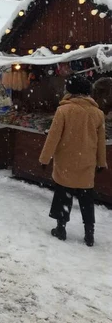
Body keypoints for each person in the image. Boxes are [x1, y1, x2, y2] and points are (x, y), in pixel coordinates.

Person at [39, 74, 107, 247]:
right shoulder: (98, 113)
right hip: (87, 163)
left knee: (63, 195)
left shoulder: (64, 110)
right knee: (86, 199)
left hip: (66, 163)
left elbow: (53, 137)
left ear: (71, 91)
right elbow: (101, 142)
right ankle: (89, 234)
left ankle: (61, 229)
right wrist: (101, 162)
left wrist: (44, 159)